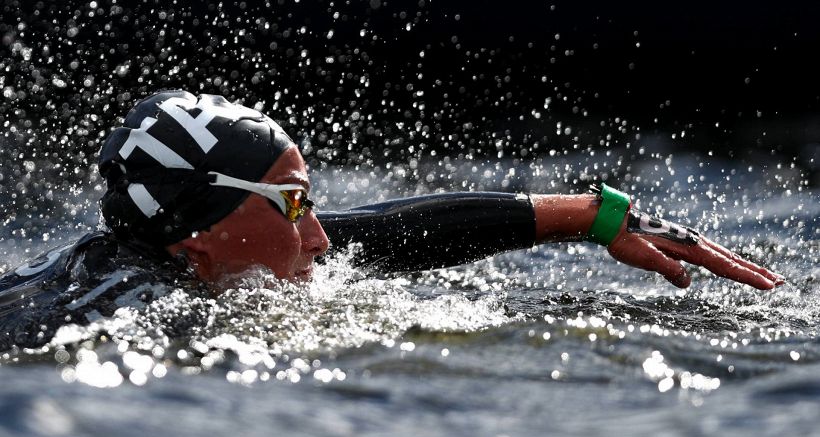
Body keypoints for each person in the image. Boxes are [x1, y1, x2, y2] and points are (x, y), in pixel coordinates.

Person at [0, 90, 784, 351]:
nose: (321, 235)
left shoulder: (173, 252)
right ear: (202, 231)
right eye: (295, 202)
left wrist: (589, 213)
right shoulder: (115, 321)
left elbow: (381, 232)